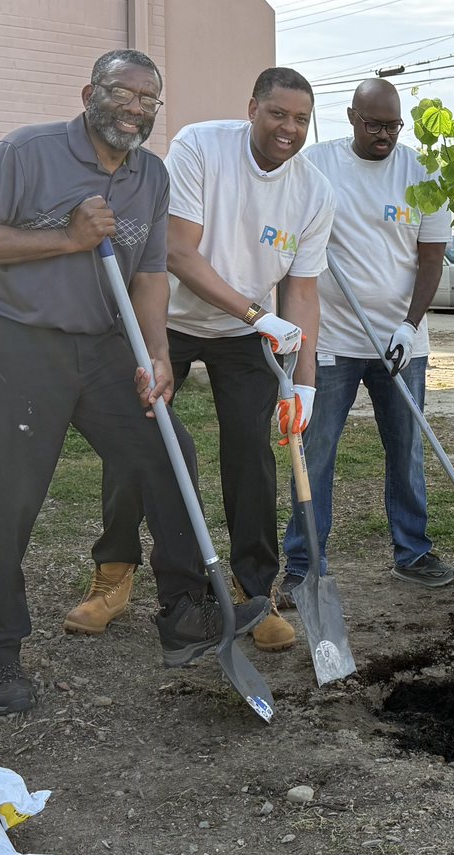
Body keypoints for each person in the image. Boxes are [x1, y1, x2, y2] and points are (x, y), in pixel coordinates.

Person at [0, 49, 270, 715]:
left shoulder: (149, 174)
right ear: (92, 91)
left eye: (149, 99)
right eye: (123, 93)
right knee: (7, 496)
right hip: (10, 340)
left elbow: (149, 271)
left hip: (100, 346)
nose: (135, 108)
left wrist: (155, 350)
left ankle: (184, 614)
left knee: (167, 452)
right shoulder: (27, 152)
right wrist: (65, 238)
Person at [63, 67, 335, 653]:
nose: (289, 128)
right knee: (139, 441)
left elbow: (304, 294)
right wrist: (255, 315)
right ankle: (113, 576)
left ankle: (253, 591)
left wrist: (304, 385)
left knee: (251, 457)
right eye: (278, 114)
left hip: (243, 333)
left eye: (301, 119)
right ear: (252, 108)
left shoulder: (313, 191)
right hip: (169, 319)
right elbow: (178, 253)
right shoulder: (200, 146)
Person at [281, 78, 454, 594]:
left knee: (406, 450)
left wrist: (409, 324)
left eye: (393, 126)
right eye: (375, 124)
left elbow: (431, 259)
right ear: (352, 118)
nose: (385, 135)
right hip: (332, 338)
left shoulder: (423, 174)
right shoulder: (317, 165)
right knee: (316, 451)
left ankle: (413, 552)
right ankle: (304, 563)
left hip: (401, 344)